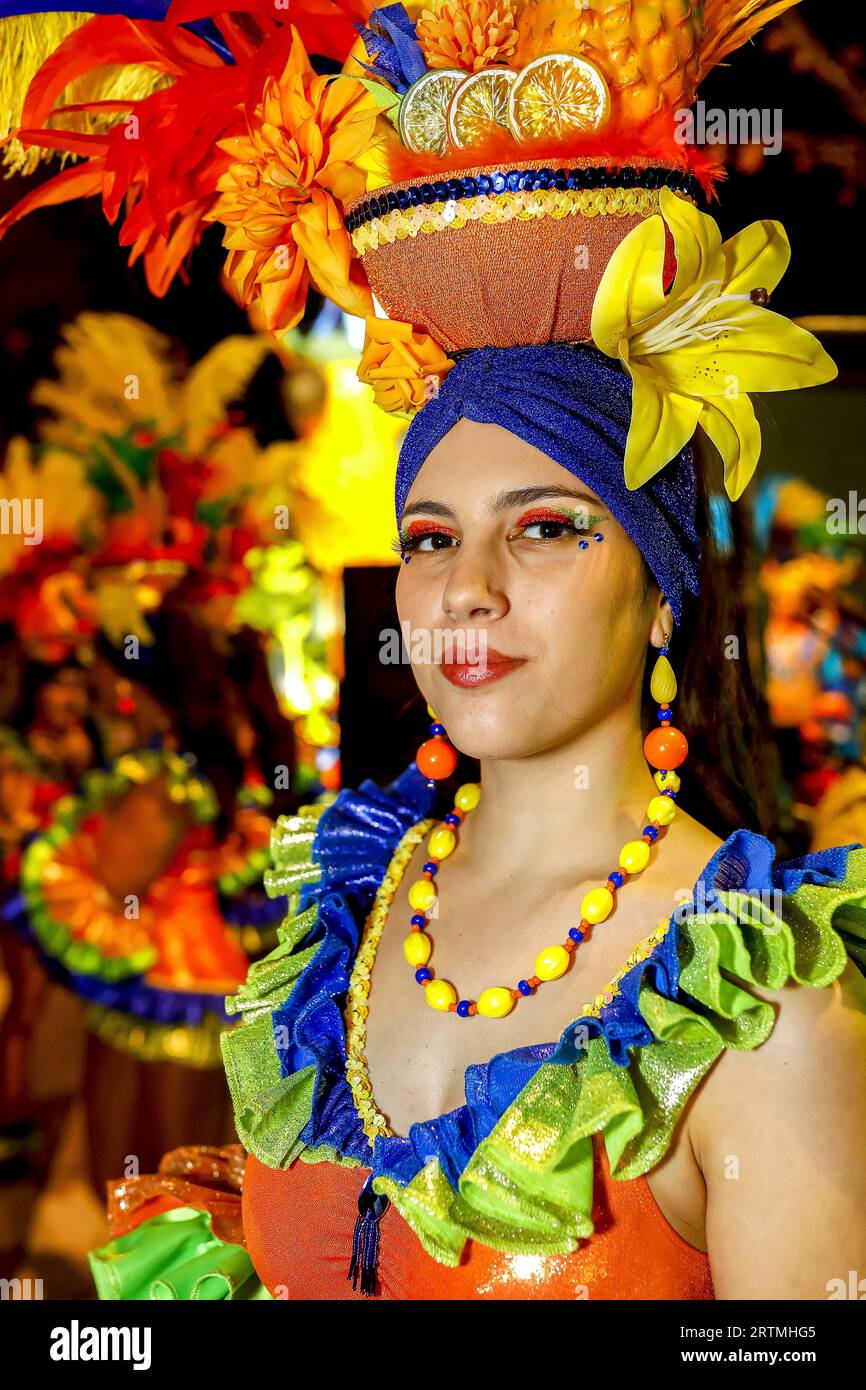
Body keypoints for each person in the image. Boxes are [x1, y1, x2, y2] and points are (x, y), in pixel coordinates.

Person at [5, 0, 862, 1301]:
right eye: (428, 534)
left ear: (662, 592)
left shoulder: (763, 1003)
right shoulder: (328, 932)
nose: (464, 588)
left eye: (545, 529)